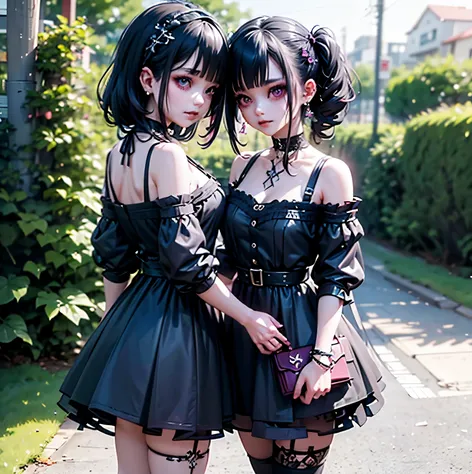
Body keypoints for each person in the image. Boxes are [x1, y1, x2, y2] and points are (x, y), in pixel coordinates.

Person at [58, 4, 288, 474]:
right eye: (185, 81)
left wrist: (115, 330)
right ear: (147, 78)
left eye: (210, 88)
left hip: (135, 326)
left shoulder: (117, 153)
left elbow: (115, 257)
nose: (200, 100)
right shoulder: (165, 155)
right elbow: (189, 265)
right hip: (180, 334)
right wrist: (249, 318)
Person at [218, 16, 386, 474]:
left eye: (274, 90)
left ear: (307, 90)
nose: (258, 110)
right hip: (245, 335)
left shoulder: (329, 174)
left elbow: (338, 275)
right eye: (244, 97)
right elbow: (228, 261)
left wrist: (321, 355)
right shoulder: (241, 167)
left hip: (303, 334)